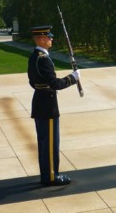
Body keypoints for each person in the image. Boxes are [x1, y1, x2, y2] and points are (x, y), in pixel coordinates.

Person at [27, 25, 80, 186]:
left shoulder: (34, 56)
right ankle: (51, 177)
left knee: (44, 143)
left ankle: (46, 174)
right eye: (48, 37)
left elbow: (32, 81)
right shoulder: (44, 59)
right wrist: (73, 78)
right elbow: (56, 84)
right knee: (50, 144)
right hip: (48, 106)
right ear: (41, 39)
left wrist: (43, 87)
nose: (51, 39)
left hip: (39, 101)